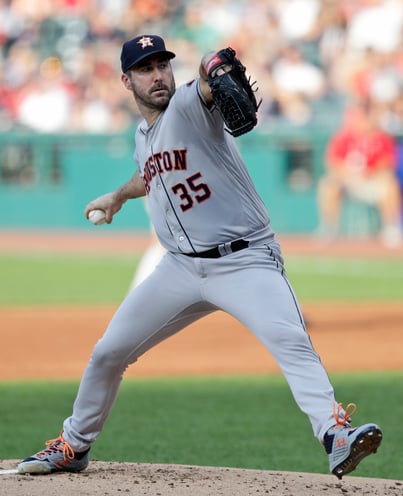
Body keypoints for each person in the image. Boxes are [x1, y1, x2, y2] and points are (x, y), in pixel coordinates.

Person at [17, 34, 382, 479]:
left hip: (245, 261)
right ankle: (73, 445)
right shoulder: (143, 135)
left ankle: (335, 435)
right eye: (145, 69)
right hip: (180, 269)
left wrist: (214, 65)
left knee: (290, 340)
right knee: (108, 353)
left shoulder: (189, 104)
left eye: (163, 66)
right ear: (125, 81)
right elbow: (147, 172)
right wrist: (117, 196)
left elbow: (211, 77)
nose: (158, 76)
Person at [317, 100, 403, 246]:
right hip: (348, 182)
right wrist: (347, 174)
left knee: (390, 183)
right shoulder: (344, 137)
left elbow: (388, 163)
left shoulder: (381, 138)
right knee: (328, 184)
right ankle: (329, 228)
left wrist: (370, 172)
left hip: (372, 181)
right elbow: (332, 162)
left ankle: (392, 227)